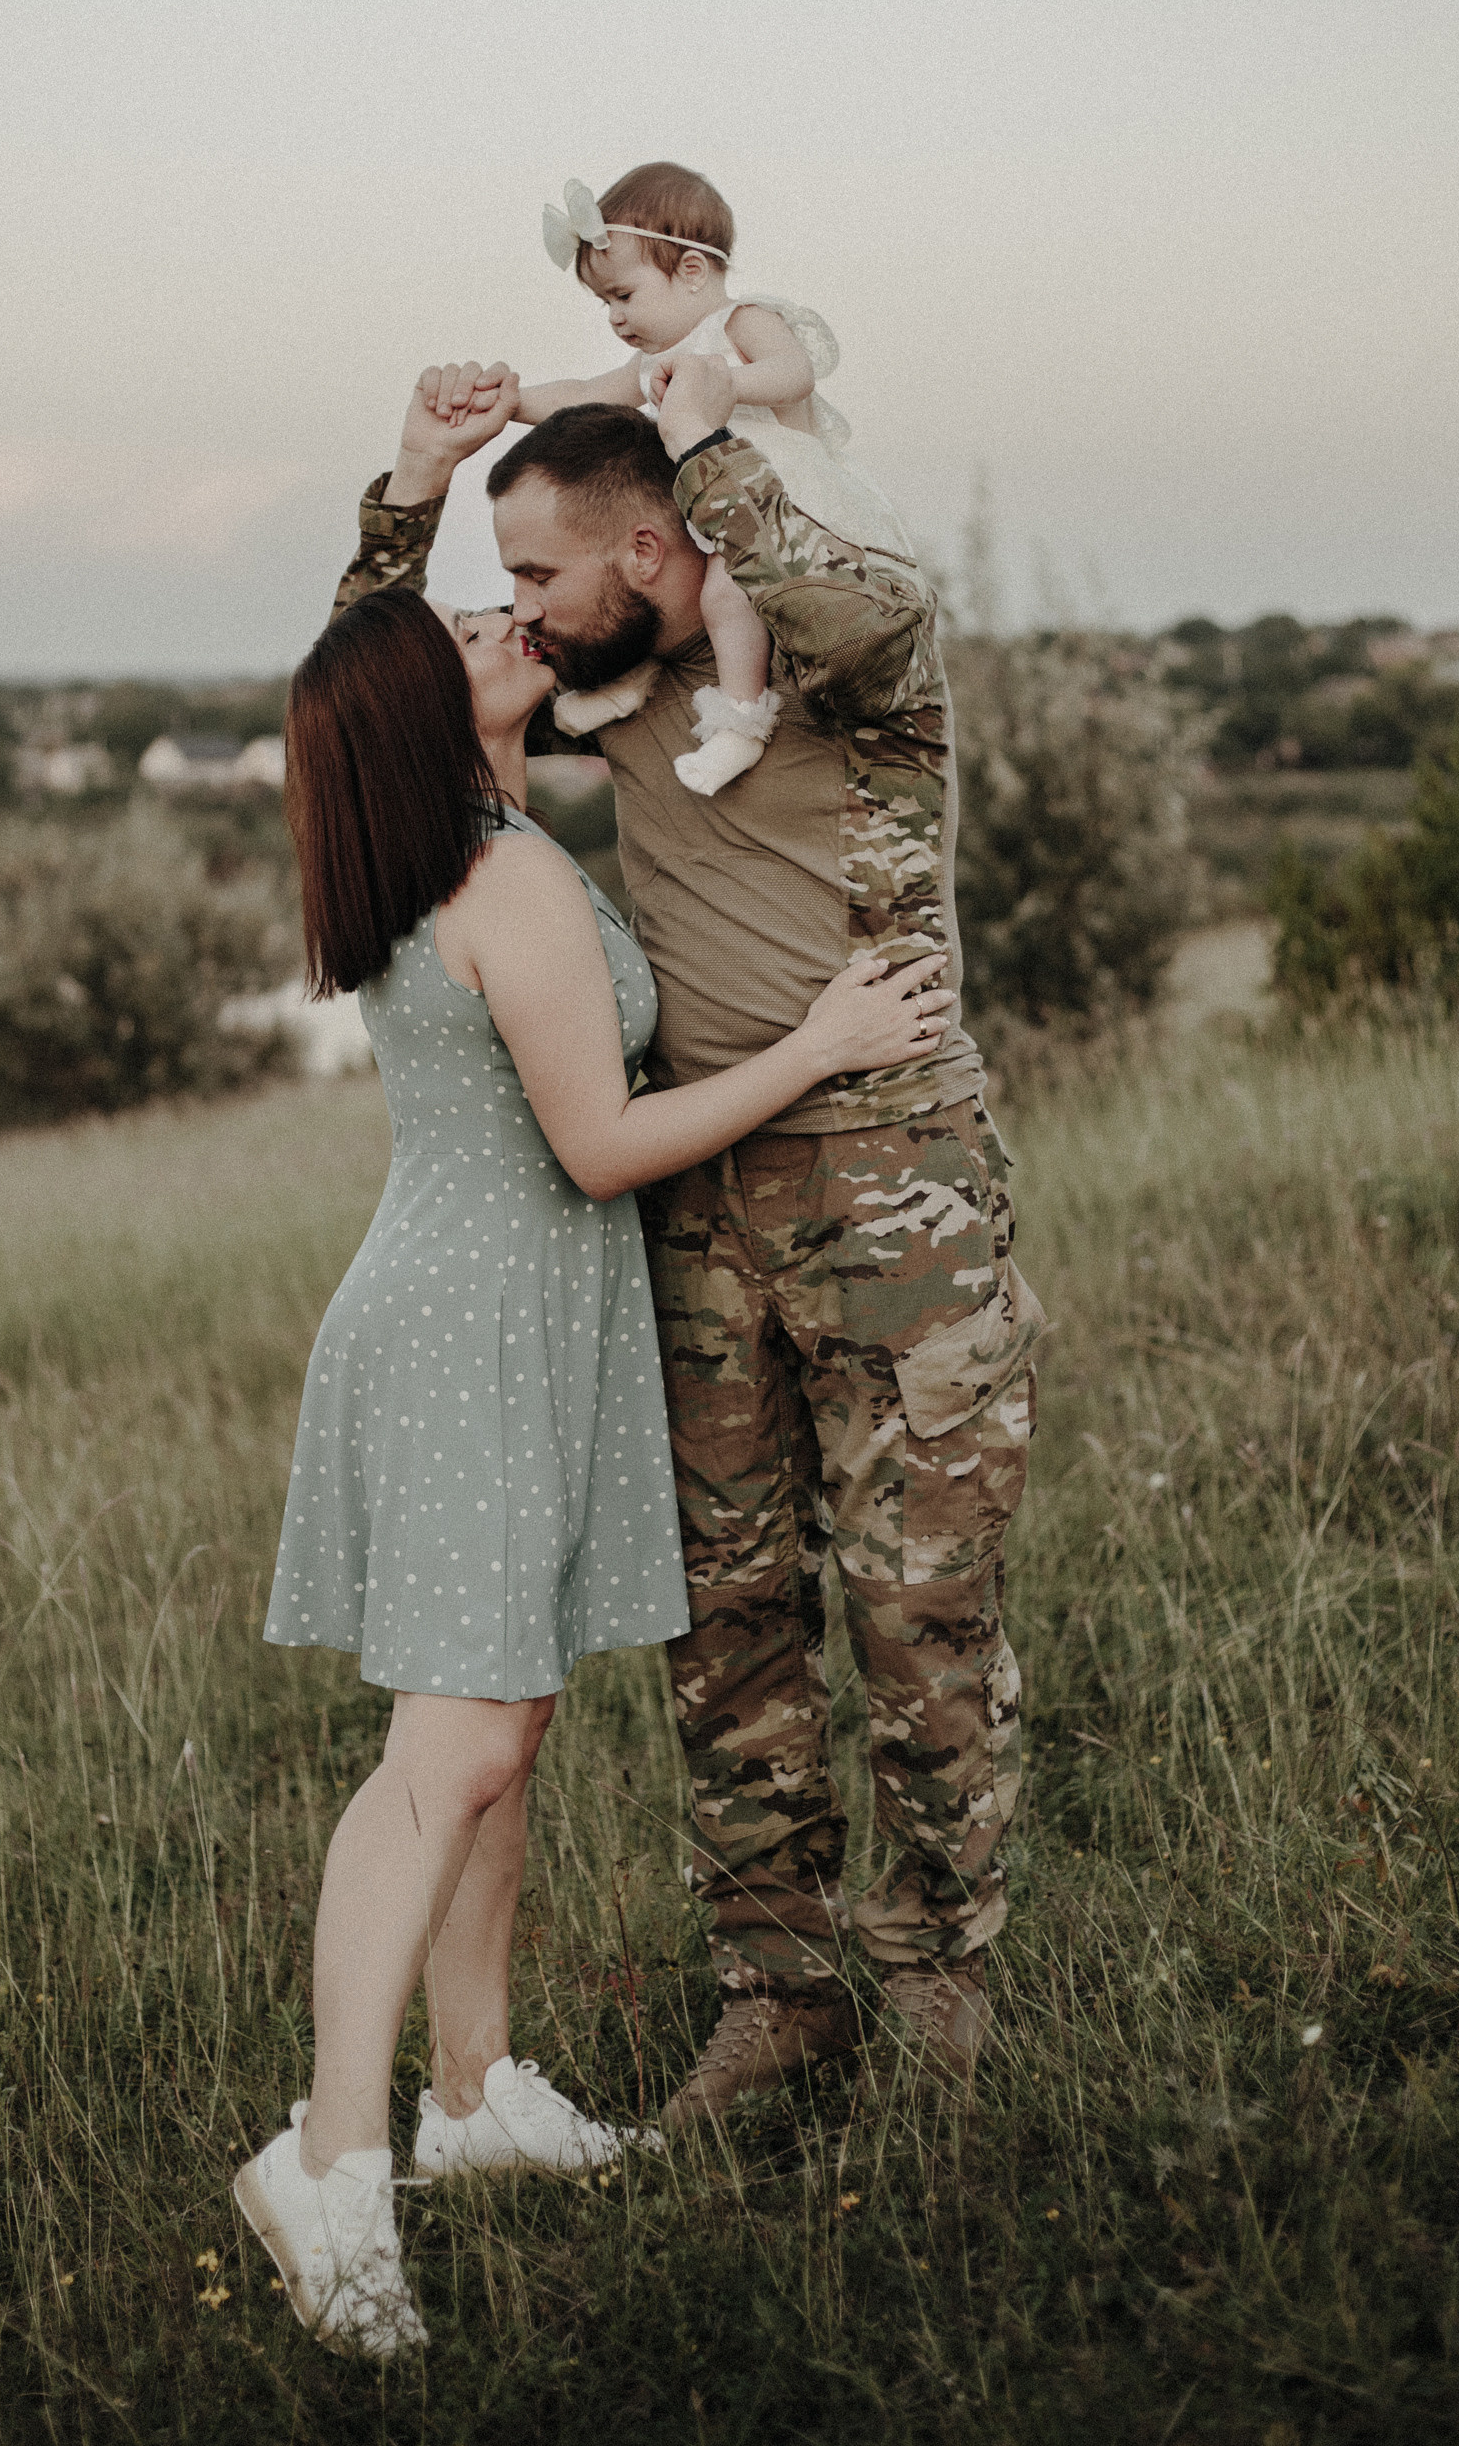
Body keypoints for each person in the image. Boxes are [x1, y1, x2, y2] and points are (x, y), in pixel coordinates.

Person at [234, 366, 954, 2357]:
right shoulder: (510, 881)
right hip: (480, 1332)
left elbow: (360, 666)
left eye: (512, 595)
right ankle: (329, 2155)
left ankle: (475, 2104)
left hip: (498, 1319)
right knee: (449, 1755)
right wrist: (814, 1047)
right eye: (476, 624)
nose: (508, 621)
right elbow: (596, 1146)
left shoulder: (447, 844)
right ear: (425, 712)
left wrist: (426, 476)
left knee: (508, 1736)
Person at [337, 346, 1046, 2137]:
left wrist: (711, 421)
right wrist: (415, 480)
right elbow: (379, 694)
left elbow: (829, 593)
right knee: (727, 1632)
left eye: (546, 576)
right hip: (697, 1213)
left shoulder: (858, 667)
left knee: (919, 1611)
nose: (522, 612)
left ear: (655, 542)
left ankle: (941, 2004)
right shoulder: (608, 700)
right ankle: (778, 2001)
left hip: (900, 1196)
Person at [513, 162, 913, 796]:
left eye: (623, 295)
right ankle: (630, 681)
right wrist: (512, 400)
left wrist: (723, 384)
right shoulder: (652, 360)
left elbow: (794, 374)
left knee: (725, 598)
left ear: (693, 272)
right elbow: (587, 395)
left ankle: (740, 722)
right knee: (657, 588)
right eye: (605, 303)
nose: (615, 317)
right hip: (700, 499)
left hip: (772, 498)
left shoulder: (739, 322)